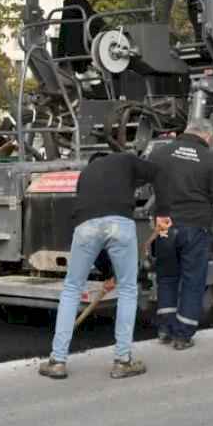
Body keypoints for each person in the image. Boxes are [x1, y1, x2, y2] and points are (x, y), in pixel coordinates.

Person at [39, 151, 161, 381]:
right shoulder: (125, 159)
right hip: (120, 223)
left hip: (86, 227)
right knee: (127, 289)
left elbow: (95, 232)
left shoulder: (85, 175)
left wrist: (107, 271)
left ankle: (57, 360)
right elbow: (158, 173)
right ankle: (122, 361)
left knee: (71, 289)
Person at [148, 119, 213, 351]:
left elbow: (147, 185)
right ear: (207, 136)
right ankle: (183, 335)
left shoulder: (160, 154)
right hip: (194, 226)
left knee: (166, 277)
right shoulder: (209, 160)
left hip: (164, 225)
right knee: (192, 280)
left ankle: (165, 328)